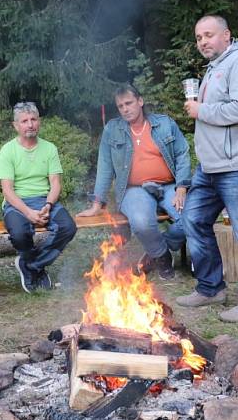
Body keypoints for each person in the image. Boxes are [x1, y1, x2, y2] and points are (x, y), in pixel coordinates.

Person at [177, 15, 238, 323]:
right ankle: (210, 288)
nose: (203, 41)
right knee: (193, 220)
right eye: (198, 38)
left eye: (209, 35)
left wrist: (201, 110)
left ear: (226, 35)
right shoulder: (214, 68)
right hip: (211, 166)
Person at [76, 84, 191, 280]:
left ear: (140, 101)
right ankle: (162, 256)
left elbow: (182, 155)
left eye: (129, 103)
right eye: (120, 106)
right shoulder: (112, 130)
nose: (125, 109)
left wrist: (181, 187)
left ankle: (159, 247)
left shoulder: (164, 124)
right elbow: (104, 167)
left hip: (169, 185)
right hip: (134, 189)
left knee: (192, 217)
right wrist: (97, 204)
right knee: (141, 223)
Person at [0, 102, 77, 293]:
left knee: (68, 227)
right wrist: (28, 212)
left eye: (33, 119)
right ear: (16, 126)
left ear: (39, 121)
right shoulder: (8, 150)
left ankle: (32, 266)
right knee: (19, 233)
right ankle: (34, 266)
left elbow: (56, 183)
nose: (30, 124)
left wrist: (48, 205)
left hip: (44, 200)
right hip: (17, 203)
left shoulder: (49, 148)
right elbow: (7, 190)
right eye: (24, 121)